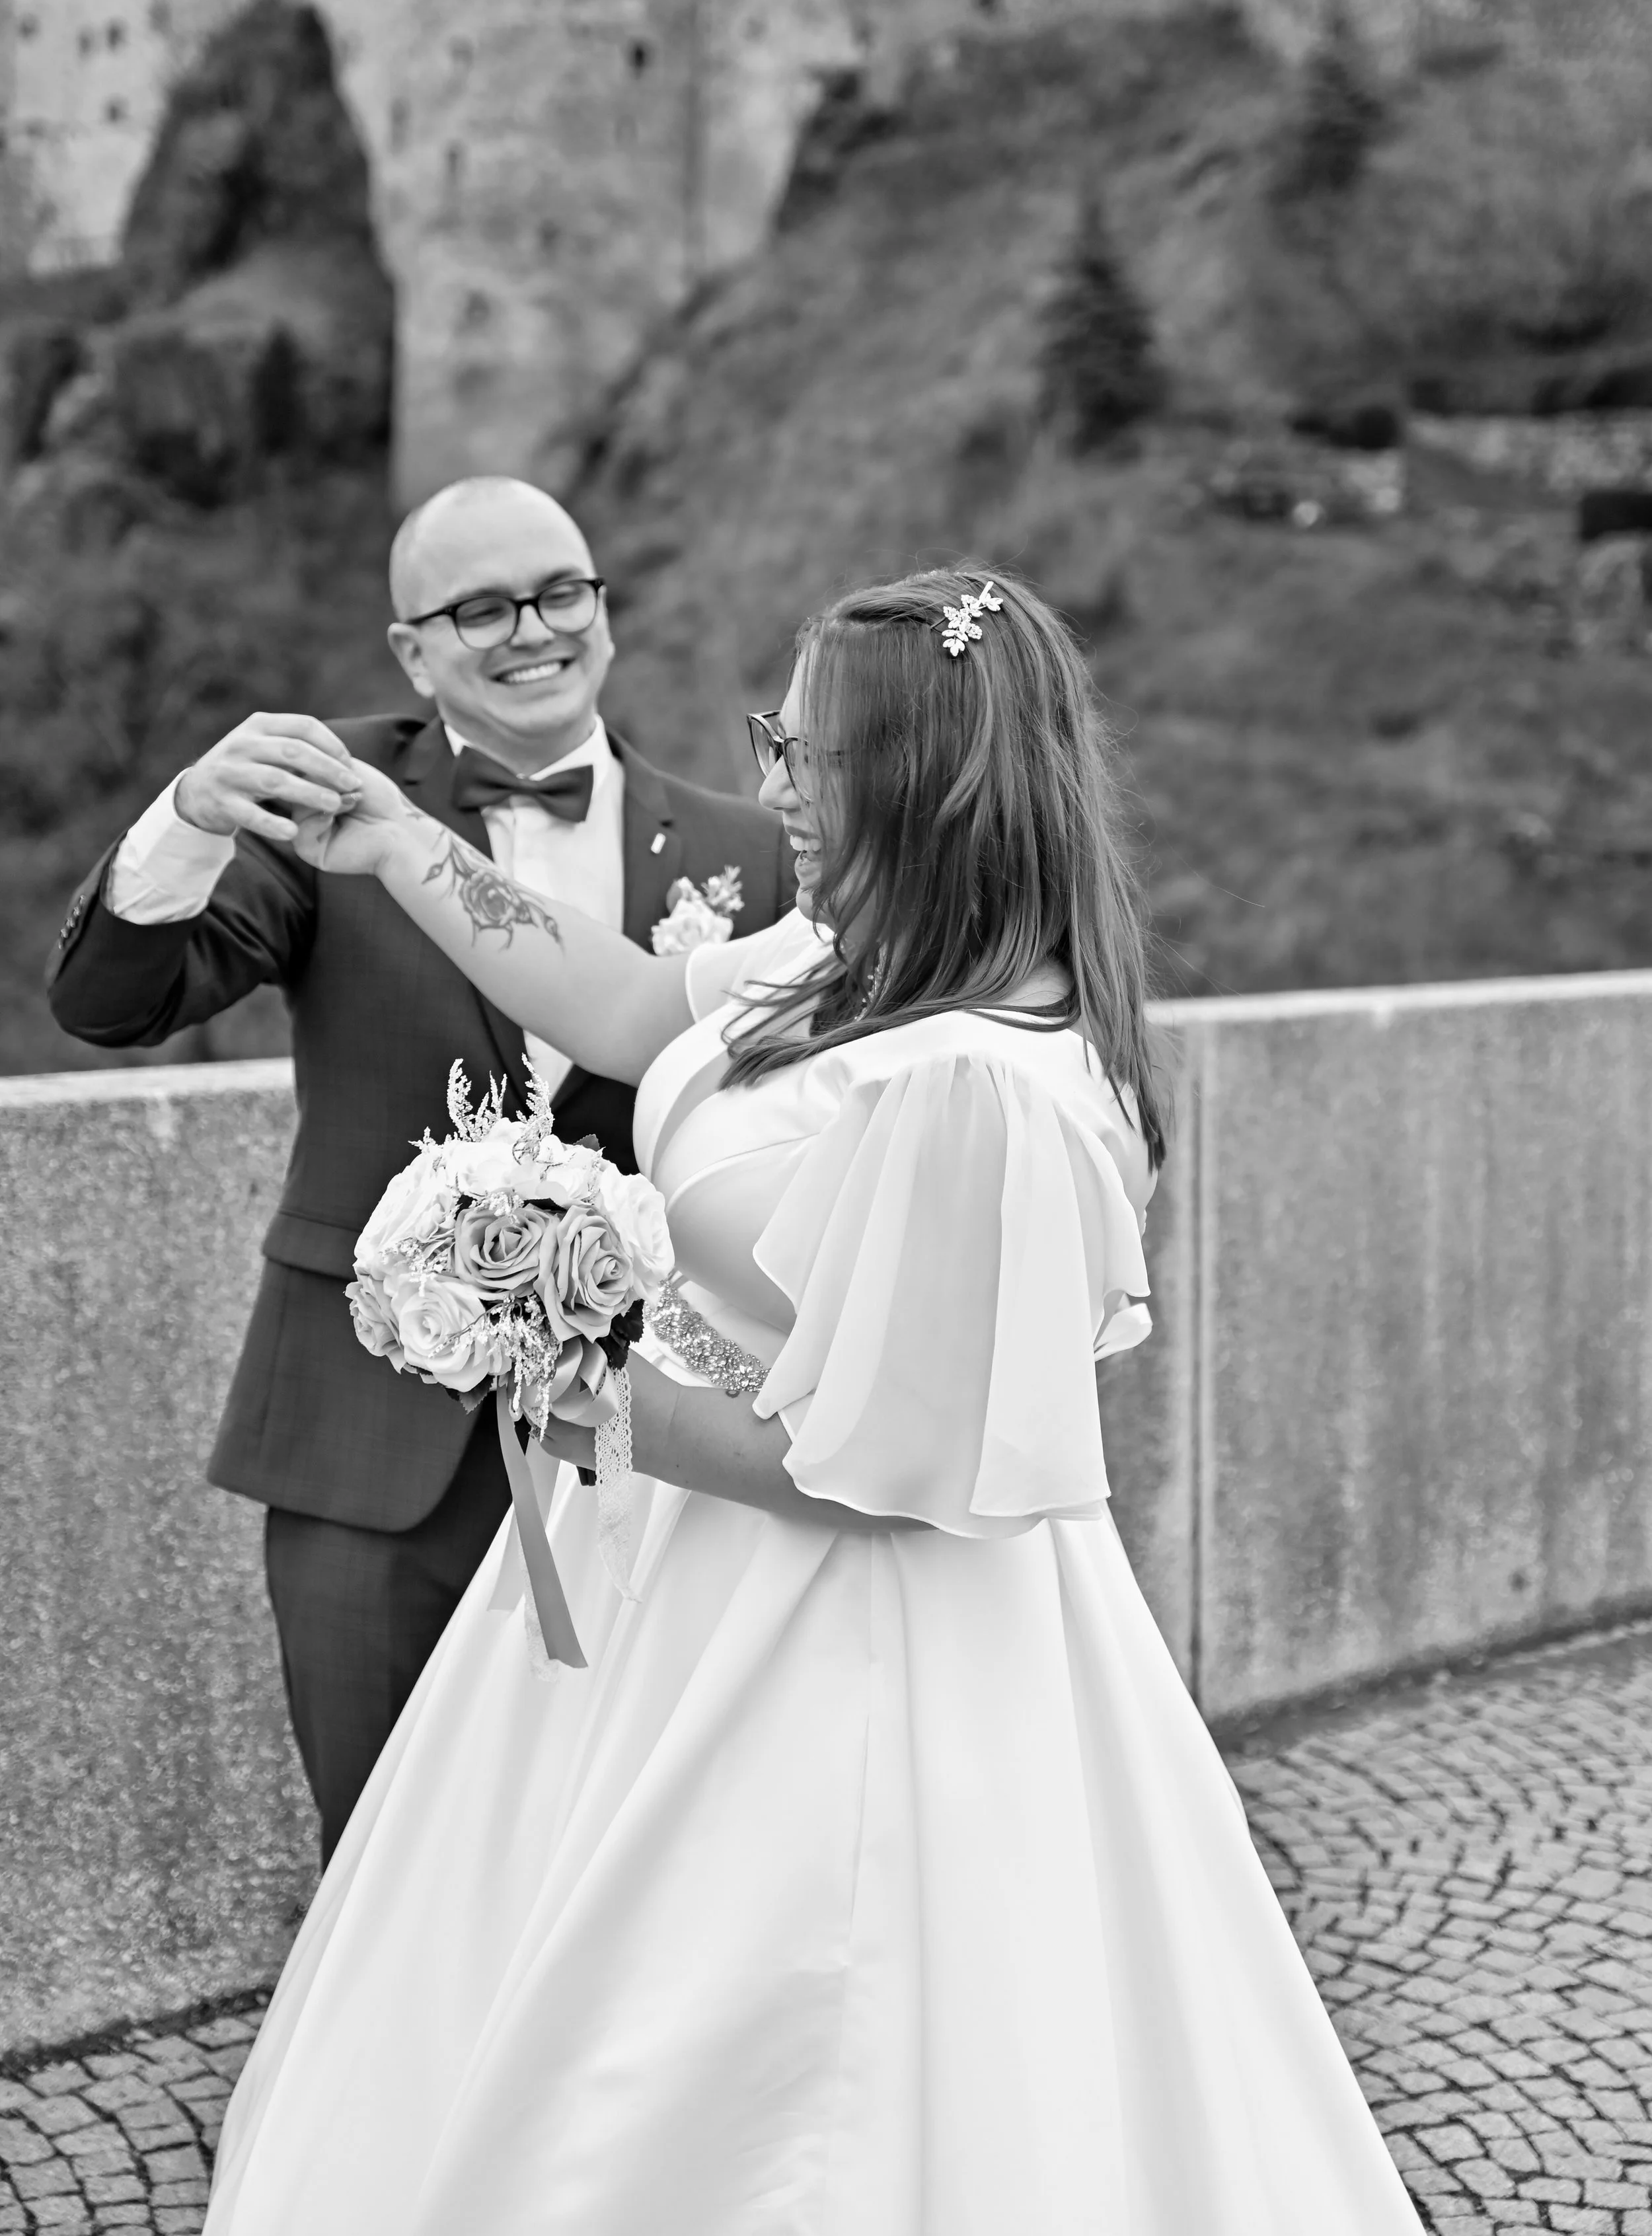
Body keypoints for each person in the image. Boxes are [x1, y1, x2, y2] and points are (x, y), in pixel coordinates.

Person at [205, 566, 1425, 2235]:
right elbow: (634, 1006)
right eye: (770, 736)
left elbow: (876, 1470)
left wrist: (567, 1375)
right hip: (661, 1576)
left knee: (786, 2040)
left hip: (839, 1633)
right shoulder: (843, 956)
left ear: (913, 782)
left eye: (799, 746)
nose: (768, 775)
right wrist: (400, 846)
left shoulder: (983, 1083)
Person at [46, 476, 792, 1865]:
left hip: (655, 1450)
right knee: (386, 1859)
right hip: (364, 1440)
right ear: (412, 651)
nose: (530, 631)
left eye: (559, 592)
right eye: (479, 609)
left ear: (603, 609)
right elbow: (111, 1002)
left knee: (629, 1867)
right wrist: (191, 821)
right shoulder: (327, 808)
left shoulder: (749, 851)